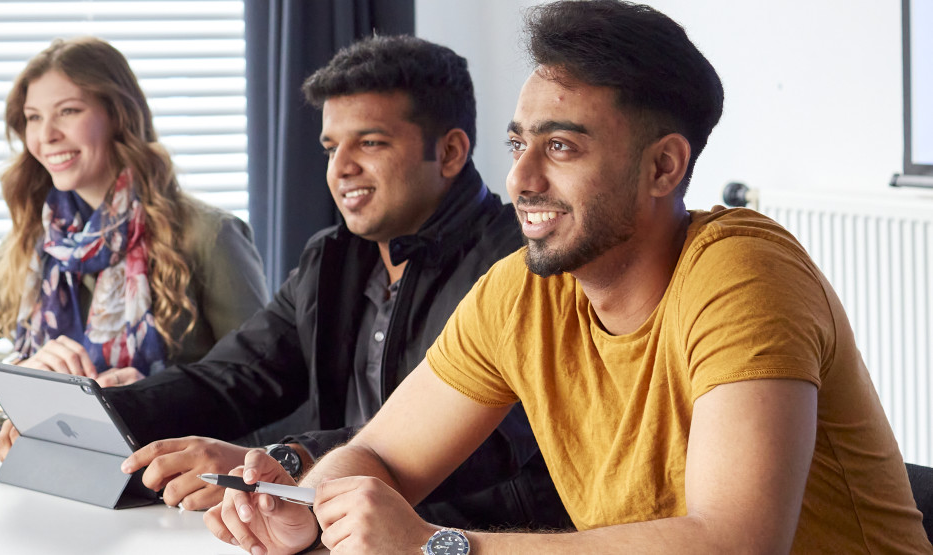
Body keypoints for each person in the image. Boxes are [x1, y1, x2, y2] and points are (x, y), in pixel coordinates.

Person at [208, 2, 933, 554]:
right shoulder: (519, 291)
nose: (520, 178)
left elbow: (733, 542)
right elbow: (383, 457)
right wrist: (306, 504)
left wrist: (442, 545)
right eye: (518, 142)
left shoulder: (742, 272)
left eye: (560, 146)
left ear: (663, 166)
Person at [8, 36, 567, 531]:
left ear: (449, 152)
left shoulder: (522, 266)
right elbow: (235, 378)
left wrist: (290, 462)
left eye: (369, 143)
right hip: (328, 530)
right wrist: (83, 415)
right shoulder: (332, 259)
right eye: (331, 147)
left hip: (472, 538)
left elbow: (494, 446)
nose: (340, 168)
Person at [0, 36, 267, 386]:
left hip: (166, 439)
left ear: (118, 115)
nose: (46, 135)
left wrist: (156, 393)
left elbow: (265, 384)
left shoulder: (209, 234)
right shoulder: (37, 239)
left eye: (68, 111)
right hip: (57, 439)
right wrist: (22, 368)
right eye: (33, 118)